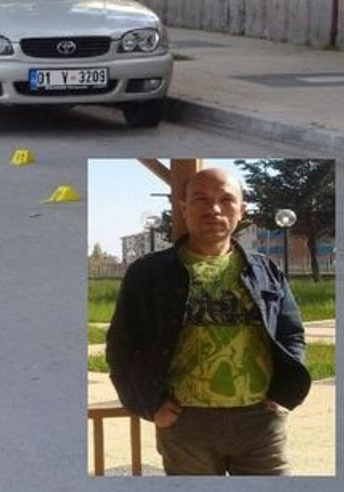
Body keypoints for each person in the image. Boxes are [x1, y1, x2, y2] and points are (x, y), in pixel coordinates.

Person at [106, 167, 312, 476]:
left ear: (242, 211)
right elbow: (121, 346)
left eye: (226, 199)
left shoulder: (264, 270)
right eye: (200, 199)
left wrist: (283, 394)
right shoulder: (148, 273)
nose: (214, 209)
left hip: (259, 423)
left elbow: (291, 333)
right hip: (186, 424)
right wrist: (148, 406)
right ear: (183, 208)